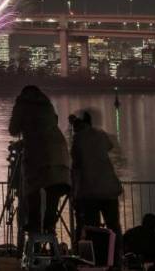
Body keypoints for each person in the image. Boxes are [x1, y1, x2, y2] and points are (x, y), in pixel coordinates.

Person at [8, 85, 70, 235]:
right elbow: (48, 127)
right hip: (59, 150)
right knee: (53, 187)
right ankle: (49, 225)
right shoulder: (47, 104)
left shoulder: (22, 104)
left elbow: (13, 130)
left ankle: (34, 224)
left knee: (32, 187)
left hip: (37, 152)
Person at [70, 111, 121, 251]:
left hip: (90, 192)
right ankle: (116, 257)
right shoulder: (101, 134)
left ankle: (95, 258)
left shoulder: (78, 139)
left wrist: (74, 192)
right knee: (114, 226)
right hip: (109, 189)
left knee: (92, 228)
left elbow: (76, 165)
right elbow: (109, 146)